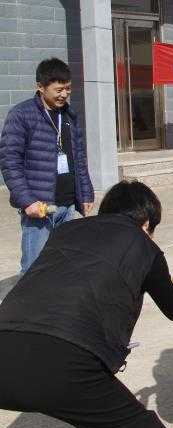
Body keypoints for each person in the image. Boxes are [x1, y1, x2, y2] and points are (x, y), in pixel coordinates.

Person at [0, 180, 173, 428]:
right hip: (66, 358)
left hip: (6, 342)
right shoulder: (143, 245)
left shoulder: (66, 231)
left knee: (90, 405)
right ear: (145, 222)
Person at [0, 58, 94, 274]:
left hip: (68, 205)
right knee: (34, 268)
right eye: (58, 89)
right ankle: (26, 306)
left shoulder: (69, 115)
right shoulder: (22, 115)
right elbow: (9, 160)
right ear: (40, 87)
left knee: (64, 264)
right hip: (39, 208)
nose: (64, 94)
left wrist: (86, 193)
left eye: (68, 89)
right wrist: (27, 201)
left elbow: (78, 157)